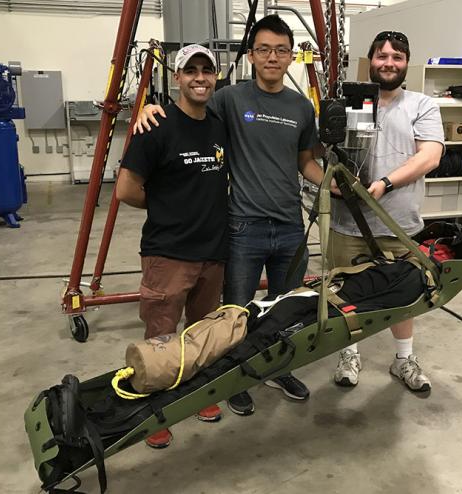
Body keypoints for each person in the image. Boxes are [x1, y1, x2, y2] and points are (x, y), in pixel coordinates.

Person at [135, 15, 332, 416]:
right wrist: (147, 111)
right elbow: (189, 109)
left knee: (285, 307)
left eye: (280, 50)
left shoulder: (300, 107)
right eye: (264, 49)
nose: (272, 57)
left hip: (291, 227)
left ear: (291, 56)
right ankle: (235, 376)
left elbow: (305, 163)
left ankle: (279, 367)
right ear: (252, 56)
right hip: (244, 227)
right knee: (234, 313)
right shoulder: (230, 99)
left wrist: (333, 182)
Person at [117, 44, 228, 449]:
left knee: (201, 333)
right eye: (191, 71)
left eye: (207, 70)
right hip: (169, 253)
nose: (200, 77)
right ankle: (155, 414)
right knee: (161, 336)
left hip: (213, 252)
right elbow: (126, 190)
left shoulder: (218, 125)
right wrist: (166, 205)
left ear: (216, 77)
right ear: (177, 78)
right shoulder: (156, 127)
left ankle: (195, 399)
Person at [330, 31, 444, 391]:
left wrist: (384, 184)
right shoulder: (352, 102)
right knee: (345, 292)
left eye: (396, 56)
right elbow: (329, 152)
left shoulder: (421, 105)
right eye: (381, 56)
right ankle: (349, 353)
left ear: (406, 62)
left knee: (405, 295)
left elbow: (430, 155)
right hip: (349, 222)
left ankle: (403, 359)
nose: (389, 63)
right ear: (371, 60)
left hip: (399, 223)